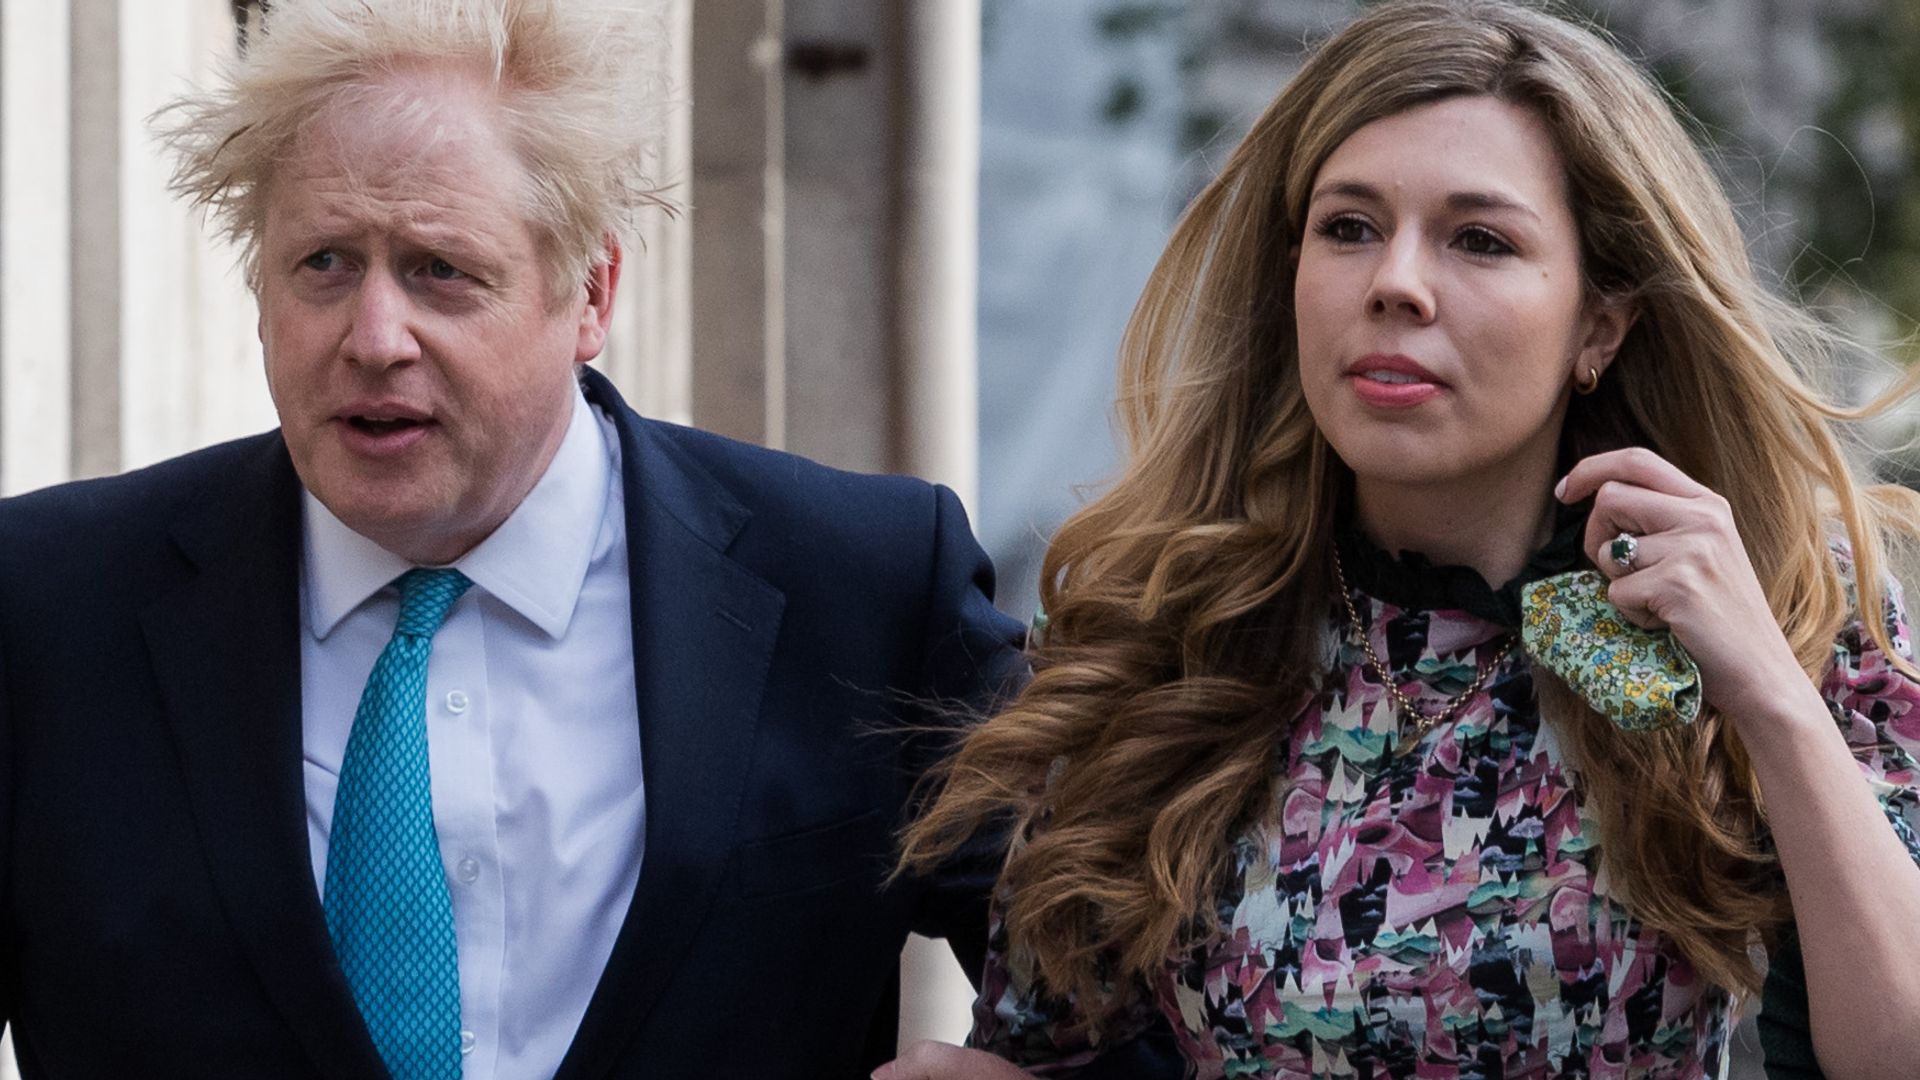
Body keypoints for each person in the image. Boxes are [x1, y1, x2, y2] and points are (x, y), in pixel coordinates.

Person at [885, 1, 1920, 1078]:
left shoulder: (1771, 602)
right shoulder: (1172, 622)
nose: (1397, 283)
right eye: (1349, 227)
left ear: (1599, 324)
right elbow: (1052, 1046)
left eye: (1480, 239)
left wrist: (1772, 702)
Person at [0, 1, 1032, 1077]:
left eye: (441, 269)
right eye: (323, 264)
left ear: (589, 293)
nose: (374, 338)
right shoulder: (47, 612)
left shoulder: (861, 590)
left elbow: (1143, 998)